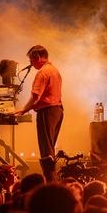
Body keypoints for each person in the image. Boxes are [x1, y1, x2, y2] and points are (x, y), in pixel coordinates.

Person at [15, 45, 63, 180]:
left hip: (47, 111)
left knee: (46, 150)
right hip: (57, 110)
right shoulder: (54, 70)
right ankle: (53, 181)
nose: (30, 63)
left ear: (38, 57)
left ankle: (51, 184)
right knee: (50, 148)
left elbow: (36, 96)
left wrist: (24, 109)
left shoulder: (42, 72)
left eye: (31, 60)